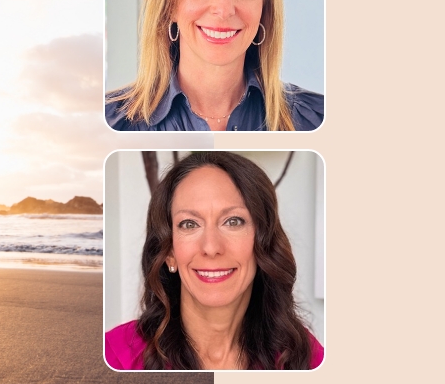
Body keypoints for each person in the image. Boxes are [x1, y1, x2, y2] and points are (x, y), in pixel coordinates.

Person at [104, 152, 323, 370]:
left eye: (233, 221)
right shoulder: (116, 356)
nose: (211, 247)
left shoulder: (303, 356)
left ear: (263, 243)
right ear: (169, 252)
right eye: (189, 224)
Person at [105, 0, 323, 132]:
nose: (224, 9)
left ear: (264, 7)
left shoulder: (318, 120)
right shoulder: (109, 122)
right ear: (169, 3)